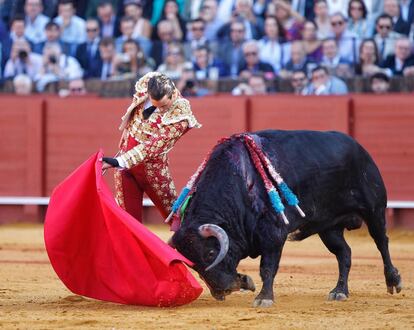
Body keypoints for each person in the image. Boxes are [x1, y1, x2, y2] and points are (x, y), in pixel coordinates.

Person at [101, 72, 201, 228]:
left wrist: (117, 161)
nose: (159, 109)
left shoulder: (180, 114)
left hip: (153, 171)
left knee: (178, 220)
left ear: (172, 95)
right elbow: (135, 105)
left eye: (163, 106)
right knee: (127, 224)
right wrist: (127, 129)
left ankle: (193, 250)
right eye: (155, 104)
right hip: (125, 168)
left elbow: (151, 148)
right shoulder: (149, 82)